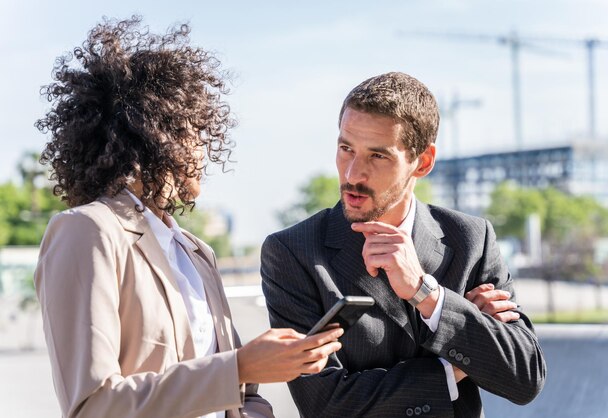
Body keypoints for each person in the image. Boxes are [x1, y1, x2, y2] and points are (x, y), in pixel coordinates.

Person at [34, 17, 343, 418]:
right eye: (193, 133)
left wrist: (252, 379)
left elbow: (243, 397)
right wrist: (240, 366)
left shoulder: (196, 252)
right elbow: (94, 405)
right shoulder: (88, 231)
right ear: (151, 135)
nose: (202, 152)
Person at [261, 72, 546, 417]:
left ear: (422, 162)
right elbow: (325, 405)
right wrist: (455, 365)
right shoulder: (292, 252)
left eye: (377, 156)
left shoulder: (471, 239)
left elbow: (524, 377)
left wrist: (428, 294)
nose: (352, 174)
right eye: (345, 148)